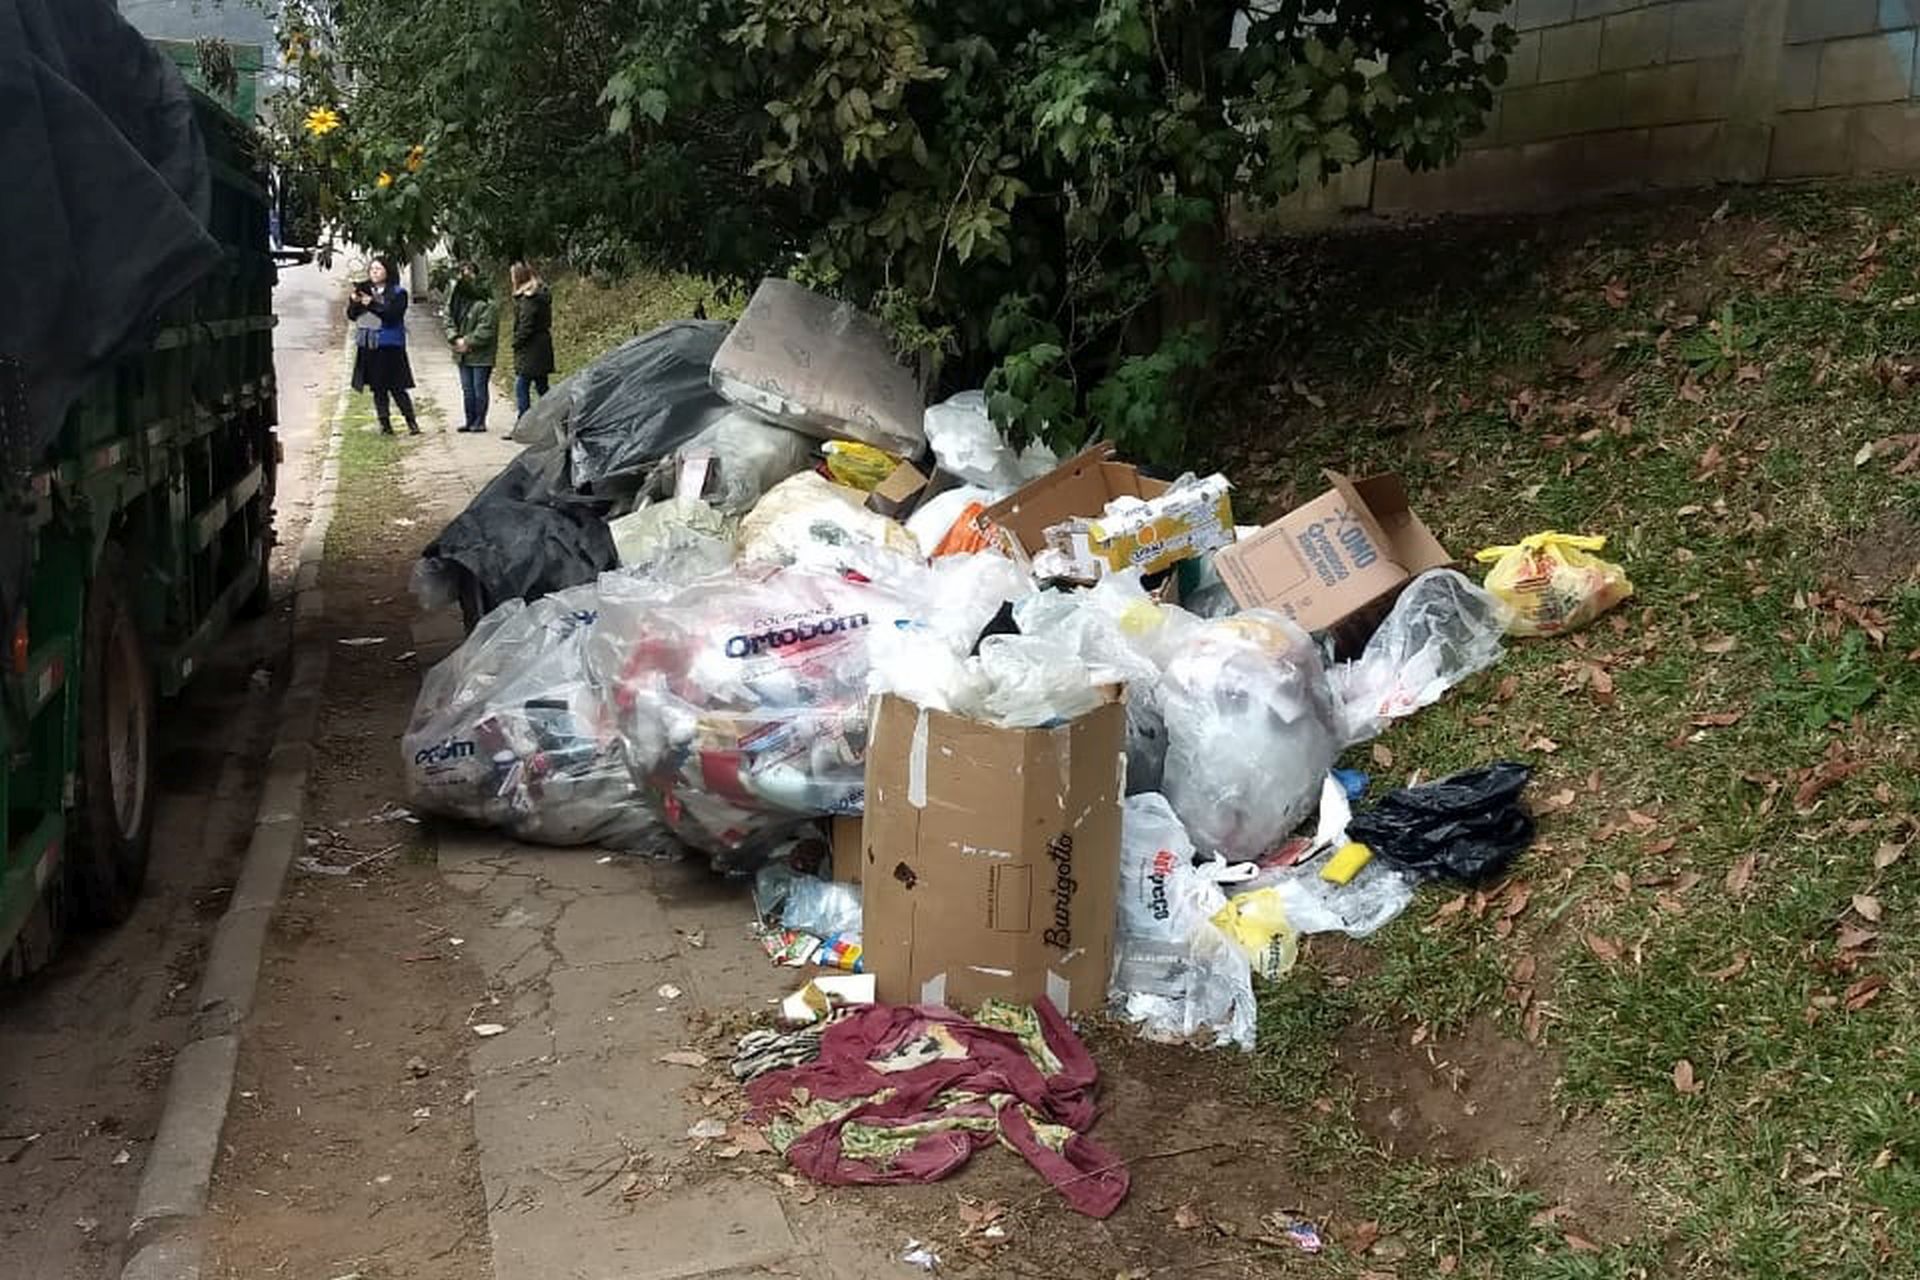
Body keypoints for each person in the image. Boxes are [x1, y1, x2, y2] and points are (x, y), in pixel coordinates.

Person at [346, 256, 419, 435]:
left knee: (397, 386)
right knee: (378, 388)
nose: (374, 273)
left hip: (390, 345)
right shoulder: (364, 291)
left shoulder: (398, 293)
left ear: (387, 271)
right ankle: (385, 424)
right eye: (372, 269)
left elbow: (392, 316)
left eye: (378, 269)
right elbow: (352, 315)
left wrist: (372, 304)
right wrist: (355, 302)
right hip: (370, 345)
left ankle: (411, 421)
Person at [446, 267, 499, 433]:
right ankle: (469, 420)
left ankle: (480, 421)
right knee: (467, 389)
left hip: (480, 354)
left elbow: (486, 329)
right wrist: (455, 338)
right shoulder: (456, 301)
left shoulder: (486, 304)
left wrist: (467, 341)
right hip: (462, 354)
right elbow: (448, 320)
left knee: (479, 388)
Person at [510, 261, 555, 417]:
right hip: (542, 345)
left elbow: (526, 324)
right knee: (542, 386)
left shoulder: (529, 298)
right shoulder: (540, 294)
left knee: (521, 385)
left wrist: (516, 342)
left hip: (531, 348)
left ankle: (524, 422)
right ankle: (556, 417)